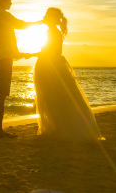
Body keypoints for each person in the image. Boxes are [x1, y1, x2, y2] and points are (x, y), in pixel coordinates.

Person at [29, 7, 103, 141]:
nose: (44, 17)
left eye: (46, 15)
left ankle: (61, 130)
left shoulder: (52, 32)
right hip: (53, 64)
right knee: (57, 97)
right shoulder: (53, 31)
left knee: (53, 96)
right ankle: (60, 128)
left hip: (50, 66)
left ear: (50, 18)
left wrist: (28, 54)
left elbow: (48, 51)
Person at [0, 0, 41, 138]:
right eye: (9, 1)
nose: (11, 3)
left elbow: (6, 39)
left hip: (4, 57)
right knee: (0, 94)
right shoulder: (2, 15)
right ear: (3, 0)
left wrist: (18, 54)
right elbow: (21, 25)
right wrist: (40, 23)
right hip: (3, 59)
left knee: (1, 94)